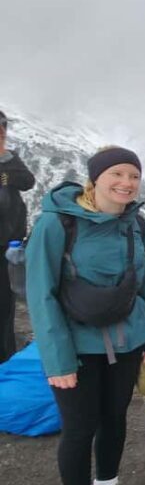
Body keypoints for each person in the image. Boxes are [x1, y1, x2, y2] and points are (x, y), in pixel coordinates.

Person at [26, 146, 145, 485]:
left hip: (126, 343)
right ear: (96, 178)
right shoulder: (57, 224)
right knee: (80, 428)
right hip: (77, 347)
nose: (126, 183)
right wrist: (57, 359)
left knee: (114, 418)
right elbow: (41, 294)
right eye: (117, 174)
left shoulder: (137, 226)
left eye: (133, 176)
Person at [0, 110, 35, 363]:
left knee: (5, 303)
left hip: (7, 244)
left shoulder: (10, 159)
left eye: (3, 126)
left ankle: (5, 355)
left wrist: (4, 173)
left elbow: (27, 181)